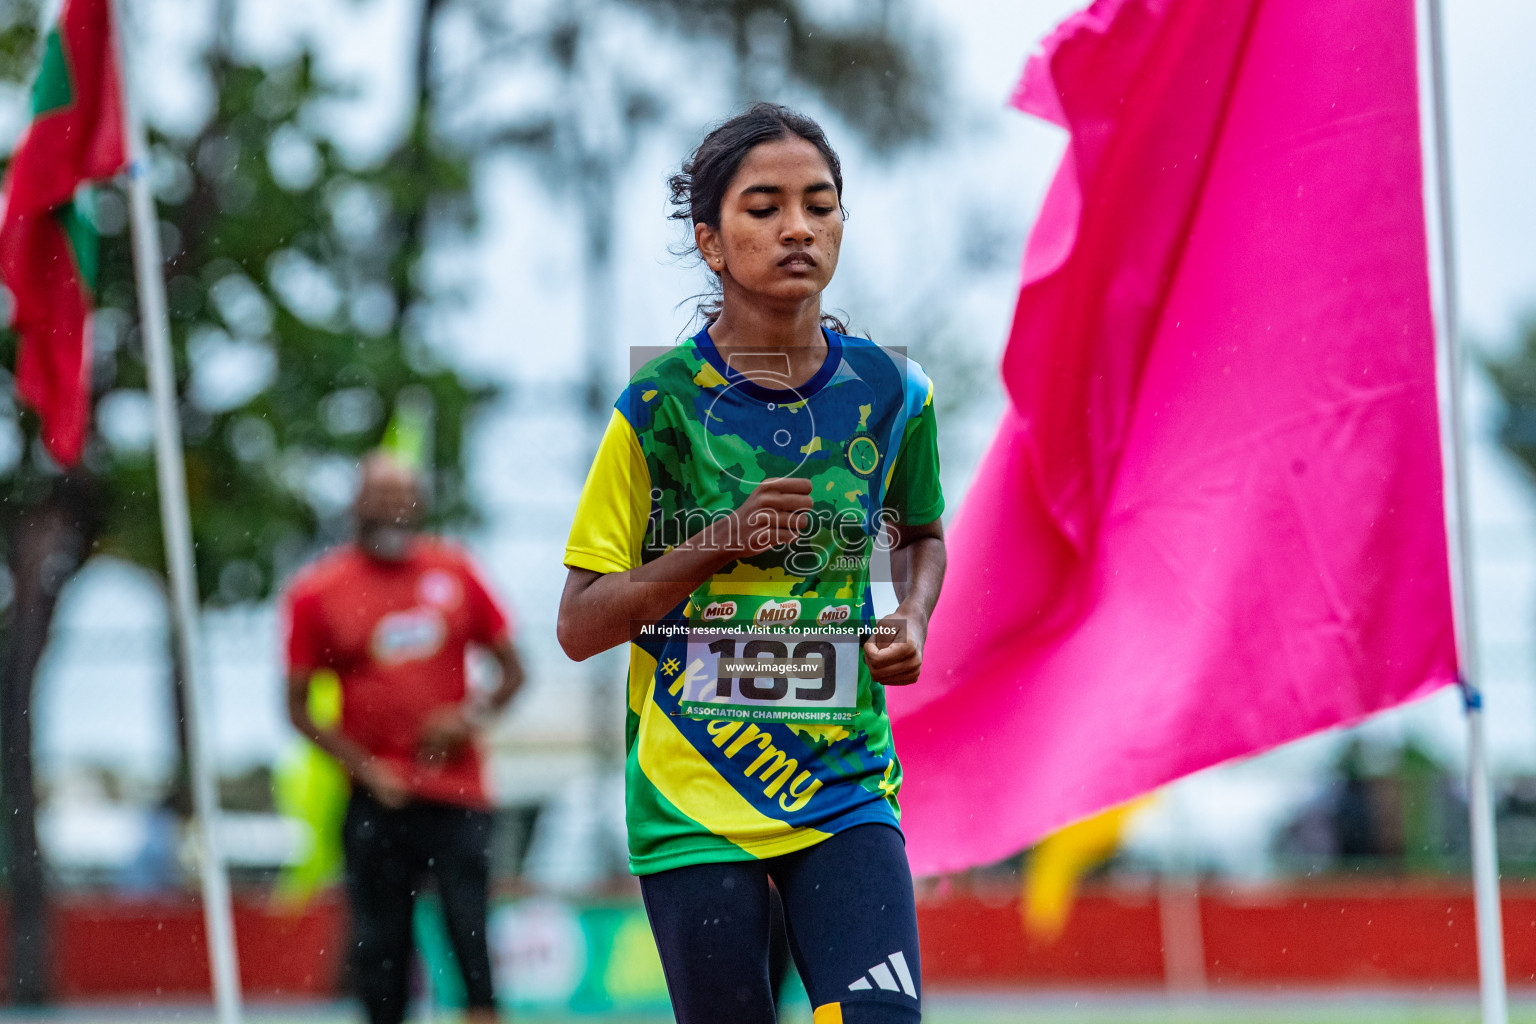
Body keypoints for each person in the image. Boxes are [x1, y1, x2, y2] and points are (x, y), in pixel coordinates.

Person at [558, 103, 946, 1024]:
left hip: (844, 786)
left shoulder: (895, 393)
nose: (798, 228)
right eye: (764, 208)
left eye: (820, 204)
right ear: (711, 242)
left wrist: (914, 615)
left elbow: (918, 532)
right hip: (695, 797)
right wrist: (718, 540)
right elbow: (579, 625)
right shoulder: (653, 409)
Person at [284, 451, 525, 1024]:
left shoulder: (456, 572)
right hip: (377, 800)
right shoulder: (318, 591)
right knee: (380, 951)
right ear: (357, 503)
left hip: (458, 795)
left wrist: (466, 717)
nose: (394, 506)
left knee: (471, 940)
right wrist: (366, 769)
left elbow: (514, 672)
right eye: (381, 495)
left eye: (404, 494)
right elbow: (295, 707)